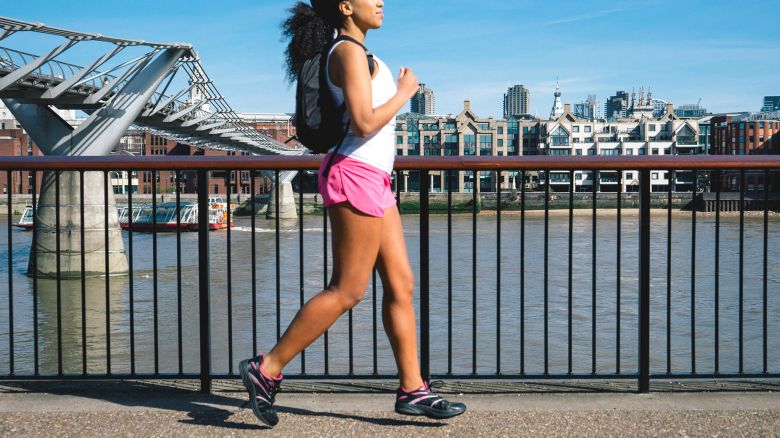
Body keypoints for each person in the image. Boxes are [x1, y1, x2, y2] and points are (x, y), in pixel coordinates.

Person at [238, 0, 467, 427]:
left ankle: (413, 389)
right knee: (347, 290)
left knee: (401, 283)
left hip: (376, 179)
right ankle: (266, 368)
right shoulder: (345, 52)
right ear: (345, 6)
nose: (381, 1)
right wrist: (405, 94)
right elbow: (363, 123)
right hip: (355, 175)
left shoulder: (364, 54)